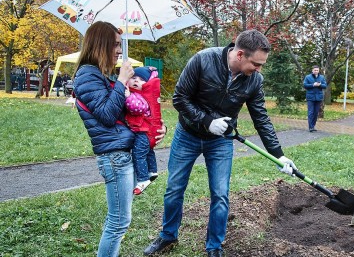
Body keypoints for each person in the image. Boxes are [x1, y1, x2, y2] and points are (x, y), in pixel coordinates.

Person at [143, 29, 298, 257]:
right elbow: (179, 98)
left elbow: (261, 118)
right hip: (188, 135)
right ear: (240, 55)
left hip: (221, 142)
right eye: (256, 64)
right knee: (175, 188)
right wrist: (207, 121)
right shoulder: (203, 59)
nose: (259, 70)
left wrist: (278, 155)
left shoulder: (254, 80)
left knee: (220, 194)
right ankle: (168, 236)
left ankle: (214, 247)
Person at [72, 21, 166, 257]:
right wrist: (122, 81)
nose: (118, 50)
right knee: (118, 222)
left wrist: (155, 128)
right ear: (100, 44)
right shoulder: (86, 75)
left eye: (118, 44)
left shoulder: (101, 76)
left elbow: (124, 113)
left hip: (122, 153)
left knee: (120, 221)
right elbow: (106, 114)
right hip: (114, 158)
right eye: (114, 44)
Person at [124, 66, 162, 195]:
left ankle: (143, 179)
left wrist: (128, 97)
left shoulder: (141, 96)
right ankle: (152, 170)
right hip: (145, 132)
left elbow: (136, 108)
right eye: (133, 78)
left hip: (143, 132)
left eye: (141, 80)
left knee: (138, 154)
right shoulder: (139, 94)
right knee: (148, 152)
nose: (136, 81)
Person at [303, 65, 327, 132]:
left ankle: (313, 126)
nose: (316, 71)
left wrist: (320, 85)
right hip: (310, 97)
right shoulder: (308, 77)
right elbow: (305, 85)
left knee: (316, 113)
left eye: (317, 70)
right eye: (315, 70)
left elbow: (325, 86)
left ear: (319, 71)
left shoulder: (322, 77)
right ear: (312, 70)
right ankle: (310, 127)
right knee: (310, 112)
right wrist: (313, 85)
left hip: (318, 98)